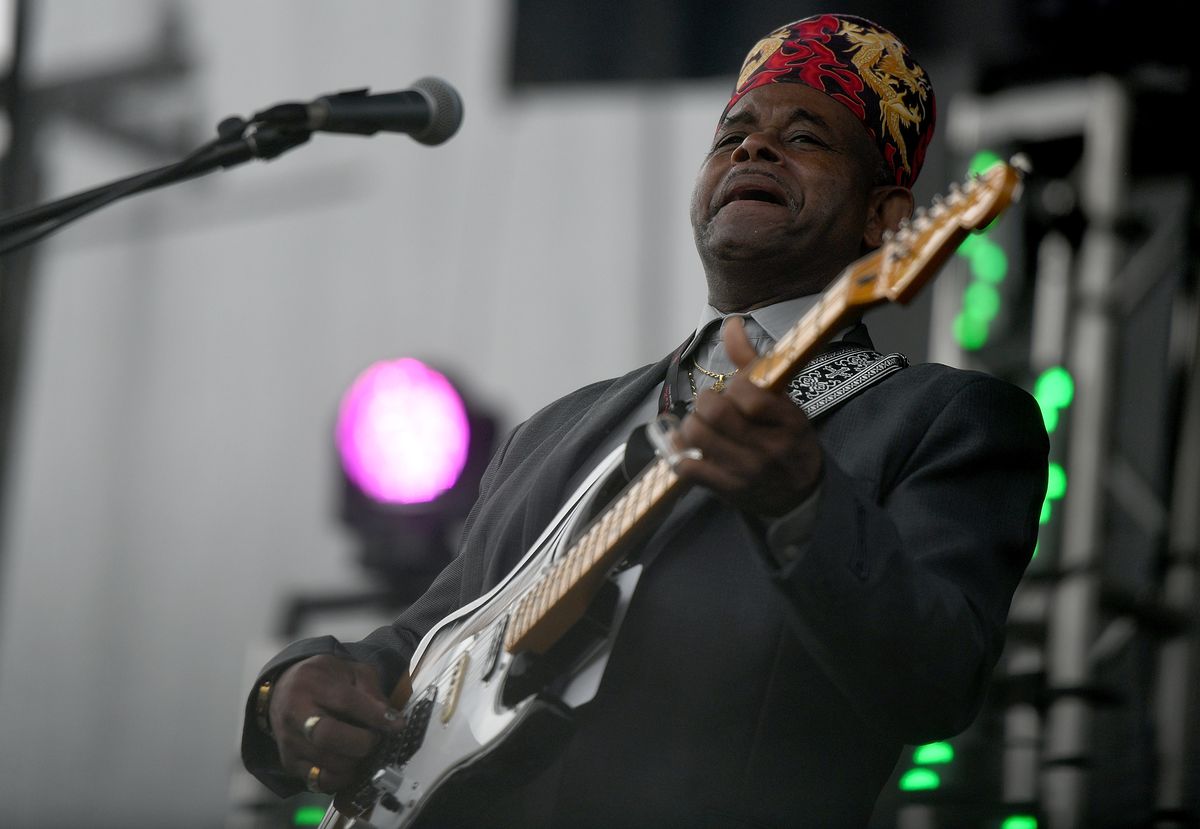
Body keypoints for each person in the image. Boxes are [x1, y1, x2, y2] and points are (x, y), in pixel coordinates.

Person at [241, 14, 1047, 828]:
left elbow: (938, 677)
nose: (753, 150)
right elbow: (433, 637)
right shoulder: (557, 427)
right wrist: (296, 685)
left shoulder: (946, 421)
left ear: (887, 222)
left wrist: (804, 504)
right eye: (733, 133)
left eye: (805, 138)